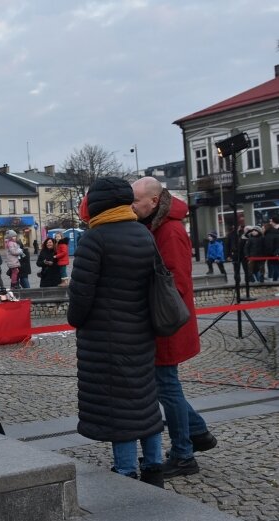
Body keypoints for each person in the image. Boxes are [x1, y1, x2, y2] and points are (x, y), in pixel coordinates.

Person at [68, 177, 164, 487]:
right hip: (141, 334)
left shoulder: (94, 240)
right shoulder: (143, 234)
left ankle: (126, 473)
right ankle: (153, 467)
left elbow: (80, 298)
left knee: (118, 408)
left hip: (106, 339)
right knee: (144, 403)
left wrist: (76, 320)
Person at [132, 176, 217, 478]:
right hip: (165, 321)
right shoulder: (157, 225)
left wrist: (151, 313)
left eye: (136, 201)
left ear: (153, 201)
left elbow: (175, 283)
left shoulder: (168, 230)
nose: (132, 206)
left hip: (167, 323)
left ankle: (183, 454)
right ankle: (198, 432)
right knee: (165, 387)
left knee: (166, 388)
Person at [264, 216, 279, 281]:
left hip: (274, 252)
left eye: (271, 221)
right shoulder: (271, 230)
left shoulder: (272, 231)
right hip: (273, 252)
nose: (270, 223)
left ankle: (274, 279)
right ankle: (271, 277)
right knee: (271, 265)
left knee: (275, 266)